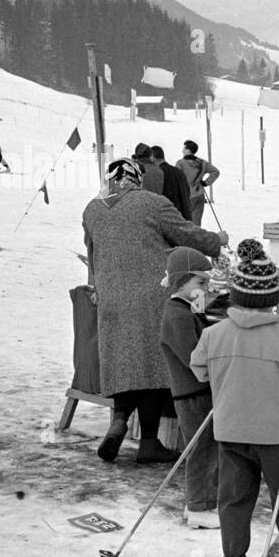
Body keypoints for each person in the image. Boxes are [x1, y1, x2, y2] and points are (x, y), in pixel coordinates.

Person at [190, 239, 279, 557]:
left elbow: (198, 369)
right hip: (275, 434)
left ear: (234, 296)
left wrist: (224, 375)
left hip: (230, 430)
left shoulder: (214, 334)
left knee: (233, 500)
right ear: (273, 298)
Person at [83, 158, 228, 464]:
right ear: (137, 178)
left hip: (111, 302)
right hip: (151, 297)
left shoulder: (91, 210)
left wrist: (98, 289)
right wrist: (218, 241)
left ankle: (119, 421)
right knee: (152, 367)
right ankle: (149, 442)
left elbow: (92, 256)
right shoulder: (152, 203)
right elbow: (187, 234)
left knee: (126, 365)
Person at [160, 247, 219, 529]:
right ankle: (197, 506)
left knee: (208, 446)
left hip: (199, 392)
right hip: (192, 392)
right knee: (202, 449)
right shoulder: (177, 315)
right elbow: (193, 357)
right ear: (181, 281)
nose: (206, 289)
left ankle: (202, 502)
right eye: (200, 283)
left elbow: (203, 324)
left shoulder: (187, 307)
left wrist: (203, 299)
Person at [177, 140, 221, 227]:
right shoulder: (202, 163)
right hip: (199, 195)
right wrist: (206, 182)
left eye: (184, 148)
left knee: (184, 223)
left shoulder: (180, 163)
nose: (182, 150)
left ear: (188, 150)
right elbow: (215, 171)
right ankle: (197, 239)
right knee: (196, 223)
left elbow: (177, 179)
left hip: (186, 197)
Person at [151, 145, 192, 221]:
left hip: (169, 220)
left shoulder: (158, 174)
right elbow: (187, 194)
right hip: (184, 219)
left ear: (152, 158)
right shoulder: (179, 172)